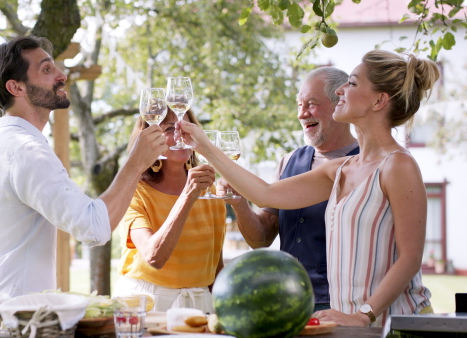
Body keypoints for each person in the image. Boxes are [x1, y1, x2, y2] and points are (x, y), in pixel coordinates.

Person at [177, 50, 439, 327]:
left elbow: (410, 258)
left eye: (351, 83)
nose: (340, 90)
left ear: (378, 100)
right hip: (348, 325)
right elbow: (266, 193)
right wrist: (202, 144)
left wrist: (363, 315)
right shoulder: (341, 169)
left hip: (395, 325)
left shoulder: (398, 165)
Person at [0, 36, 167, 296]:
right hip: (23, 320)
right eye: (47, 69)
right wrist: (136, 162)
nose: (61, 76)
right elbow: (93, 227)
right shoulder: (27, 151)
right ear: (17, 87)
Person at [217, 67, 358, 312]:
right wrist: (240, 204)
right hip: (289, 302)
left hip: (344, 305)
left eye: (311, 104)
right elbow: (261, 238)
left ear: (339, 102)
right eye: (299, 105)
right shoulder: (288, 162)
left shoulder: (366, 164)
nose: (302, 114)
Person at [112, 109, 226, 314]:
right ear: (149, 139)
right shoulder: (134, 191)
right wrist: (188, 195)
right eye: (169, 128)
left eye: (186, 126)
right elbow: (154, 256)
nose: (180, 134)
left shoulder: (211, 191)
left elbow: (215, 266)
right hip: (146, 305)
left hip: (201, 307)